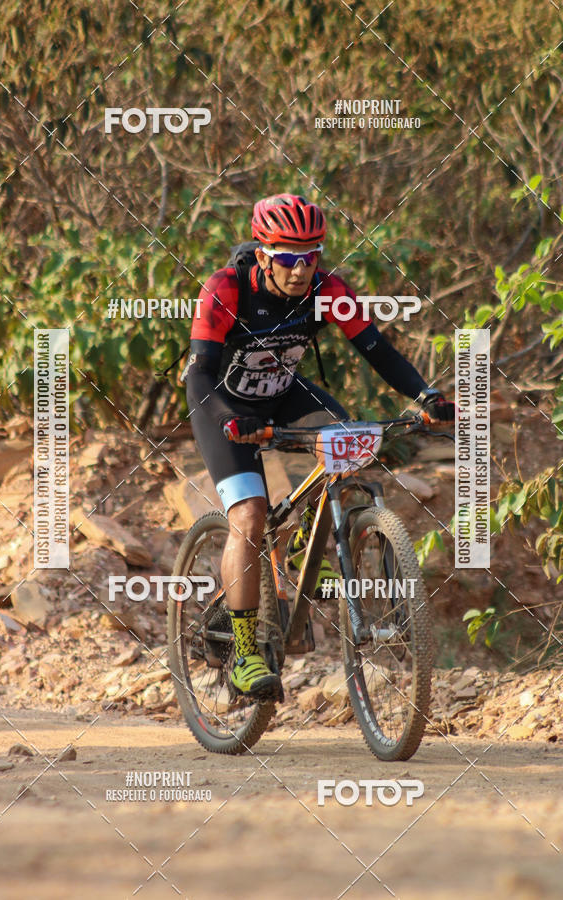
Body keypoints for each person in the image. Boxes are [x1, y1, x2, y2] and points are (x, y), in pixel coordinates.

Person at [184, 193, 454, 701]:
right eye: (288, 258)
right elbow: (197, 375)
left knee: (349, 447)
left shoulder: (327, 288)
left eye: (312, 256)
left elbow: (377, 349)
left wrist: (425, 394)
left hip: (286, 396)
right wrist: (229, 419)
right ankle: (245, 654)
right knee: (250, 515)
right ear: (262, 255)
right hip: (223, 407)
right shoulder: (226, 288)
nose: (301, 269)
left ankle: (311, 546)